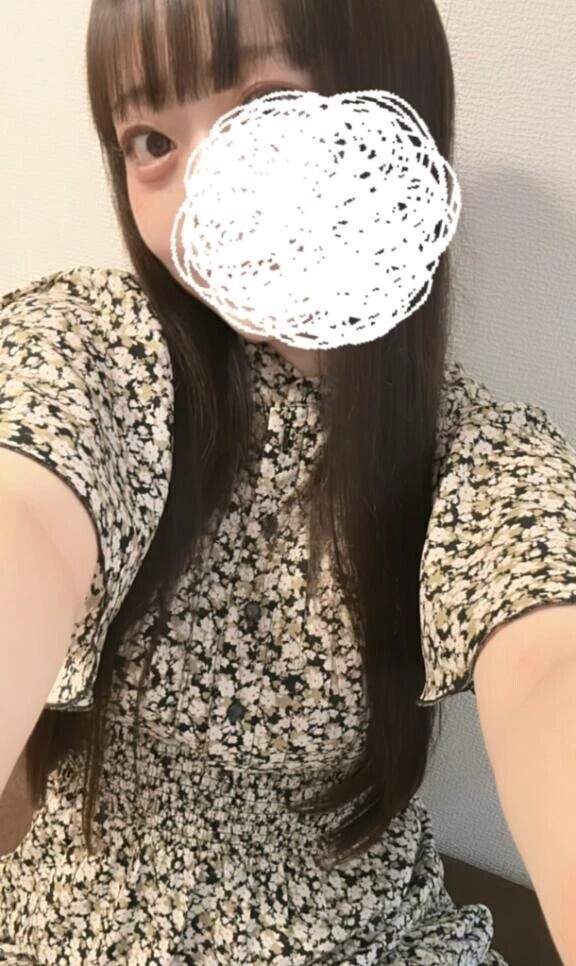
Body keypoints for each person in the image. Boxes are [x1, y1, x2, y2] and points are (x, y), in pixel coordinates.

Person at [0, 0, 574, 962]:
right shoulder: (96, 352)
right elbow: (23, 503)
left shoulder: (472, 455)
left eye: (263, 108)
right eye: (151, 141)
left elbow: (550, 659)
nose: (203, 196)